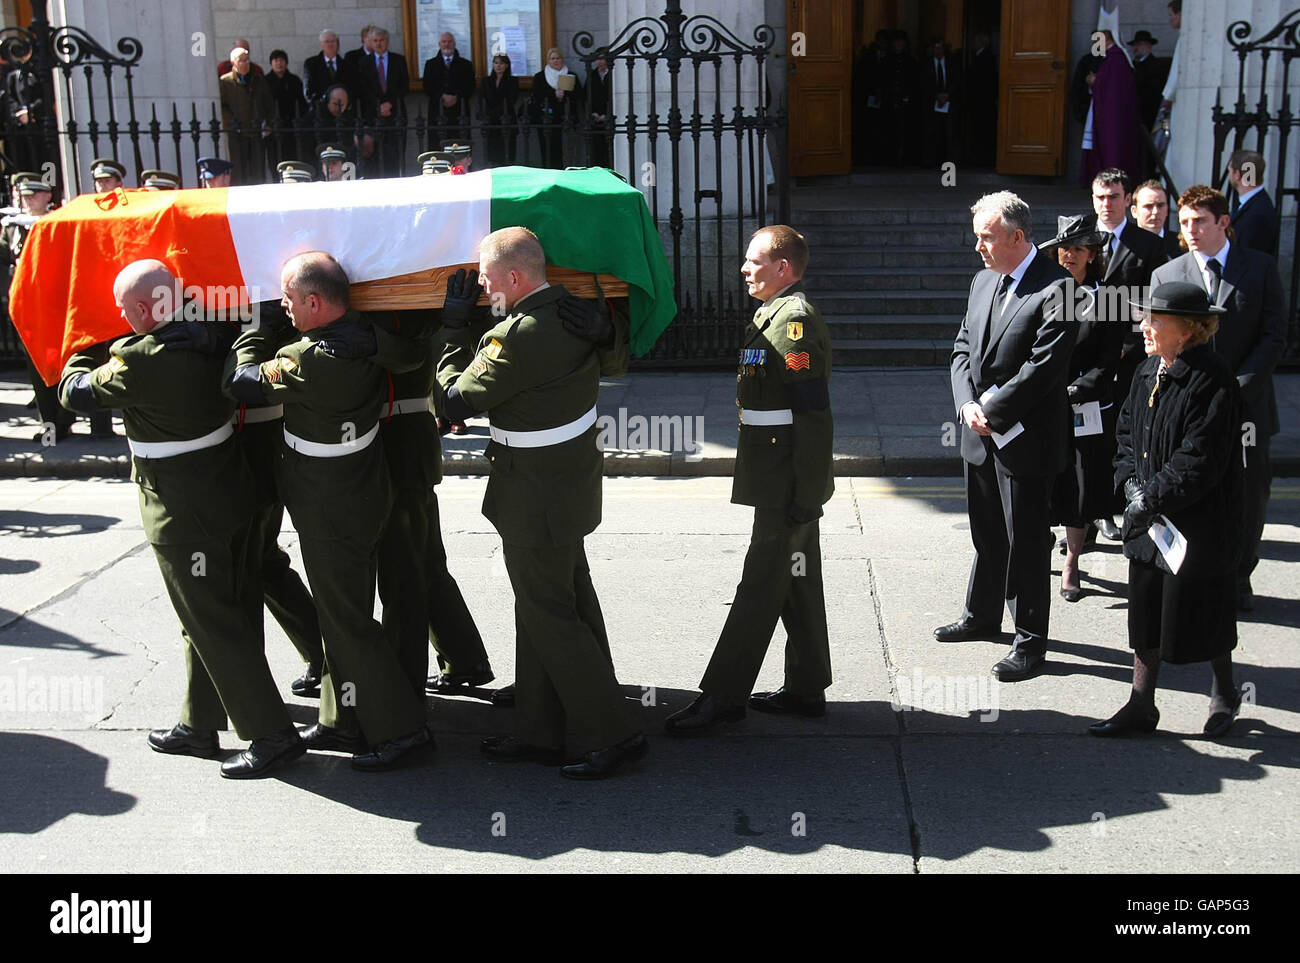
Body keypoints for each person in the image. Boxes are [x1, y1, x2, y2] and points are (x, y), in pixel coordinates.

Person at [58, 259, 302, 778]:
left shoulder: (139, 359)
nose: (121, 319)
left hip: (182, 510)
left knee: (213, 622)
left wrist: (79, 348)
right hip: (229, 493)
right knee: (211, 615)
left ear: (146, 310)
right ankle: (199, 723)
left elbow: (74, 394)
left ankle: (271, 732)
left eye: (125, 311)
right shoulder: (214, 334)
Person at [437, 227, 645, 780]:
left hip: (533, 494)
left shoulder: (516, 335)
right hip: (568, 483)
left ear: (513, 277)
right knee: (558, 601)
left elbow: (453, 398)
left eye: (483, 277)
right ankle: (541, 728)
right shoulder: (579, 315)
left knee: (549, 612)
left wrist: (451, 332)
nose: (479, 287)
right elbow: (617, 351)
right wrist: (609, 332)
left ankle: (611, 734)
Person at [224, 251, 433, 770]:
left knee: (345, 621)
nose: (285, 308)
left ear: (316, 302)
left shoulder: (307, 358)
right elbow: (408, 354)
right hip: (364, 486)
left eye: (290, 301)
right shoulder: (363, 337)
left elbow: (239, 382)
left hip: (330, 501)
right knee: (352, 606)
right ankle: (344, 718)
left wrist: (253, 329)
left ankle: (403, 729)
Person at [664, 225, 834, 734]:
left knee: (759, 584)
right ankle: (806, 688)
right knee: (798, 579)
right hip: (775, 472)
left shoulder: (794, 322)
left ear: (784, 268)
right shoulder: (772, 315)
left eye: (754, 261)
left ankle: (723, 695)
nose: (744, 269)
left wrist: (806, 493)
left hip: (786, 480)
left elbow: (812, 413)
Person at [1093, 281, 1244, 738]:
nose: (1144, 327)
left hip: (1196, 522)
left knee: (1204, 609)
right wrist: (1131, 488)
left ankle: (1224, 692)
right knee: (1145, 614)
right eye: (1145, 318)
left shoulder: (1213, 379)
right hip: (1148, 521)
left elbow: (1200, 458)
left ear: (1189, 330)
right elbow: (1124, 436)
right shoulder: (1145, 371)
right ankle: (1142, 703)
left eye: (1156, 320)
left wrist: (1150, 498)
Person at [155, 301, 328, 699]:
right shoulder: (205, 291)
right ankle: (324, 656)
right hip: (240, 444)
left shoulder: (263, 291)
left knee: (245, 569)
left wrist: (216, 339)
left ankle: (248, 695)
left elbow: (282, 338)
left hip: (255, 445)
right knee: (263, 564)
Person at [937, 191, 1075, 681]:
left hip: (1026, 440)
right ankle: (981, 616)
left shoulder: (1058, 287)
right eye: (977, 237)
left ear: (1017, 237)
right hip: (979, 432)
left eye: (987, 237)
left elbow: (1045, 368)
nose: (979, 247)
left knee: (1028, 542)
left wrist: (990, 409)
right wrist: (966, 404)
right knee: (987, 533)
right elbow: (960, 348)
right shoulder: (982, 280)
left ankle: (1030, 642)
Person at [1151, 185, 1286, 612]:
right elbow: (1160, 343)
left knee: (1246, 496)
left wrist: (1236, 388)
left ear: (1223, 222)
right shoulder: (1167, 275)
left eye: (1200, 221)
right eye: (1184, 221)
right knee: (1191, 491)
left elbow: (1274, 336)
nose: (1189, 229)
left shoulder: (1260, 268)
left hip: (1247, 409)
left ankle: (1240, 576)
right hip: (1188, 409)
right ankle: (1192, 576)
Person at [1038, 216, 1122, 601]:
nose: (1068, 255)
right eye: (1064, 248)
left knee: (1080, 486)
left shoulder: (1109, 296)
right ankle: (1038, 547)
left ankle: (1072, 560)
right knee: (1043, 478)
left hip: (1086, 405)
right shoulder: (1042, 290)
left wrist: (1074, 390)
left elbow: (1110, 360)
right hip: (1042, 403)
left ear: (1092, 254)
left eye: (1078, 249)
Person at [1088, 167, 1168, 543]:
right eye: (1100, 197)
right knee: (1087, 436)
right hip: (1086, 359)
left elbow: (1152, 306)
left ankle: (1111, 507)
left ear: (1127, 200)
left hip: (1128, 358)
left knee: (1119, 432)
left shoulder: (1147, 245)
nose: (1106, 204)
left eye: (1113, 197)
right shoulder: (1082, 237)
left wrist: (1129, 346)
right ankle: (1085, 512)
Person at [4, 174, 74, 443]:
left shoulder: (57, 223)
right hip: (25, 305)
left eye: (34, 194)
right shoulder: (12, 227)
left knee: (60, 362)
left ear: (48, 196)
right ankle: (50, 424)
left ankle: (65, 418)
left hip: (55, 304)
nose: (29, 199)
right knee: (36, 366)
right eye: (25, 195)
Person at [1080, 32, 1140, 187]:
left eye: (1097, 40)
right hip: (1104, 112)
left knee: (1112, 148)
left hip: (1112, 117)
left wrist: (1095, 81)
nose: (1095, 45)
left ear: (1106, 38)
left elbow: (1112, 87)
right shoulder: (1111, 58)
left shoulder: (1116, 58)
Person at [357, 27, 408, 176]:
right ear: (371, 42)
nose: (379, 44)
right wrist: (378, 105)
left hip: (395, 113)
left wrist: (389, 104)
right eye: (375, 41)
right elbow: (363, 89)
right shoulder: (364, 62)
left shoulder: (398, 60)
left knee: (395, 153)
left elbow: (404, 86)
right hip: (373, 114)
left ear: (387, 41)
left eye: (382, 40)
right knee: (375, 156)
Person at [220, 46, 274, 185]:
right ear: (234, 63)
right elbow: (223, 106)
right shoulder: (225, 81)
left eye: (247, 60)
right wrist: (232, 123)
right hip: (237, 132)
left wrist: (268, 123)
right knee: (239, 169)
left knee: (257, 169)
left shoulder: (258, 80)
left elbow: (268, 103)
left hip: (256, 130)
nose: (245, 63)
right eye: (241, 60)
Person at [423, 32, 475, 149]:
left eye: (449, 42)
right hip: (438, 110)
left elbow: (470, 86)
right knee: (437, 146)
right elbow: (427, 87)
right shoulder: (431, 64)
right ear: (439, 44)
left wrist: (456, 96)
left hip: (459, 111)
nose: (447, 45)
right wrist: (441, 97)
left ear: (454, 44)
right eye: (444, 42)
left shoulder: (465, 64)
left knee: (459, 144)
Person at [531, 48, 581, 169]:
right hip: (547, 118)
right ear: (548, 61)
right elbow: (537, 95)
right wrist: (553, 94)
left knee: (567, 150)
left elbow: (579, 95)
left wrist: (565, 94)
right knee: (547, 149)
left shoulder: (571, 75)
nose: (555, 61)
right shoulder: (540, 76)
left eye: (558, 58)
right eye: (552, 58)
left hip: (566, 117)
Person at [1227, 149, 1280, 255]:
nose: (1229, 175)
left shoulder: (1258, 213)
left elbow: (1249, 257)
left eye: (1230, 171)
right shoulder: (1250, 203)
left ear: (1237, 174)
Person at [920, 37, 960, 167]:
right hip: (931, 103)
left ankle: (950, 161)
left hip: (950, 102)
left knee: (949, 132)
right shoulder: (926, 64)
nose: (937, 51)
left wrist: (947, 94)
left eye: (940, 48)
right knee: (931, 132)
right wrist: (936, 95)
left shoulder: (952, 63)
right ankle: (930, 160)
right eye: (935, 48)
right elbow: (924, 83)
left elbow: (957, 80)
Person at [265, 49, 307, 165]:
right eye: (276, 60)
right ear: (271, 63)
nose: (279, 63)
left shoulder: (294, 80)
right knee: (275, 159)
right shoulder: (265, 81)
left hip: (291, 126)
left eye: (282, 60)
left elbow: (301, 103)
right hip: (273, 127)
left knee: (292, 158)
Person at [964, 33, 998, 166]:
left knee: (982, 129)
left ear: (981, 42)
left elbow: (984, 80)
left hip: (982, 100)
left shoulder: (986, 57)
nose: (972, 43)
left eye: (975, 40)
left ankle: (982, 158)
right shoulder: (980, 56)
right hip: (980, 100)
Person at [480, 54, 519, 168]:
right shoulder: (486, 81)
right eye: (496, 63)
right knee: (493, 153)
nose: (498, 66)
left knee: (507, 152)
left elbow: (511, 100)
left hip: (506, 119)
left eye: (501, 63)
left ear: (506, 65)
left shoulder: (512, 81)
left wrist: (498, 111)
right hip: (491, 121)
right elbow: (482, 99)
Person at [1131, 178, 1183, 259]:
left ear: (1167, 210)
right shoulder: (1123, 246)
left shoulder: (1182, 245)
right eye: (1149, 206)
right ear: (1134, 211)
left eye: (1160, 205)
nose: (1155, 212)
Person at [1128, 30, 1169, 130]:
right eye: (1135, 45)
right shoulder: (1130, 65)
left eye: (1139, 44)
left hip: (1149, 114)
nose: (1136, 48)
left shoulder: (1156, 66)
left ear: (1148, 47)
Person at [304, 30, 357, 106]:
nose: (330, 44)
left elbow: (352, 88)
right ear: (321, 45)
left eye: (333, 41)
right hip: (320, 110)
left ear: (338, 44)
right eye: (327, 42)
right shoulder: (311, 64)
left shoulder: (347, 65)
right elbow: (308, 91)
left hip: (342, 109)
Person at [586, 51, 612, 167]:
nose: (600, 61)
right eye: (598, 59)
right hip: (595, 117)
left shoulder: (613, 74)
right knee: (597, 149)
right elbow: (586, 96)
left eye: (603, 58)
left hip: (610, 116)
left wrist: (608, 114)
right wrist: (593, 113)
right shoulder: (592, 75)